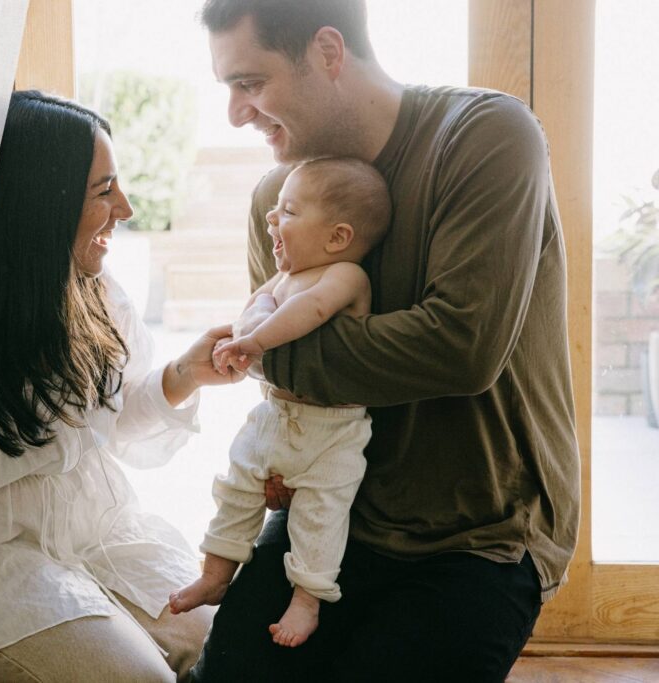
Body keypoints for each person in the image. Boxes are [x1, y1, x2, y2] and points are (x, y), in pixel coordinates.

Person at [191, 1, 580, 681]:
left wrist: (270, 352)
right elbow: (279, 375)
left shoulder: (486, 137)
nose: (236, 113)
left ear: (328, 52)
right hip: (337, 510)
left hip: (483, 533)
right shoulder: (278, 200)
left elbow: (461, 348)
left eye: (251, 83)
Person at [0, 90, 242, 683]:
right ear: (42, 204)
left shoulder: (98, 290)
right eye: (104, 191)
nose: (127, 208)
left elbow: (106, 428)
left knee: (235, 645)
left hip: (96, 530)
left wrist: (184, 375)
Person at [168, 157, 390, 649]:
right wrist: (254, 319)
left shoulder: (345, 275)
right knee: (236, 487)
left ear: (337, 237)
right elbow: (252, 308)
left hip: (333, 430)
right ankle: (215, 574)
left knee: (320, 516)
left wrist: (254, 341)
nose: (272, 218)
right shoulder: (284, 277)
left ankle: (307, 598)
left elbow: (309, 311)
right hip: (274, 416)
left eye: (288, 211)